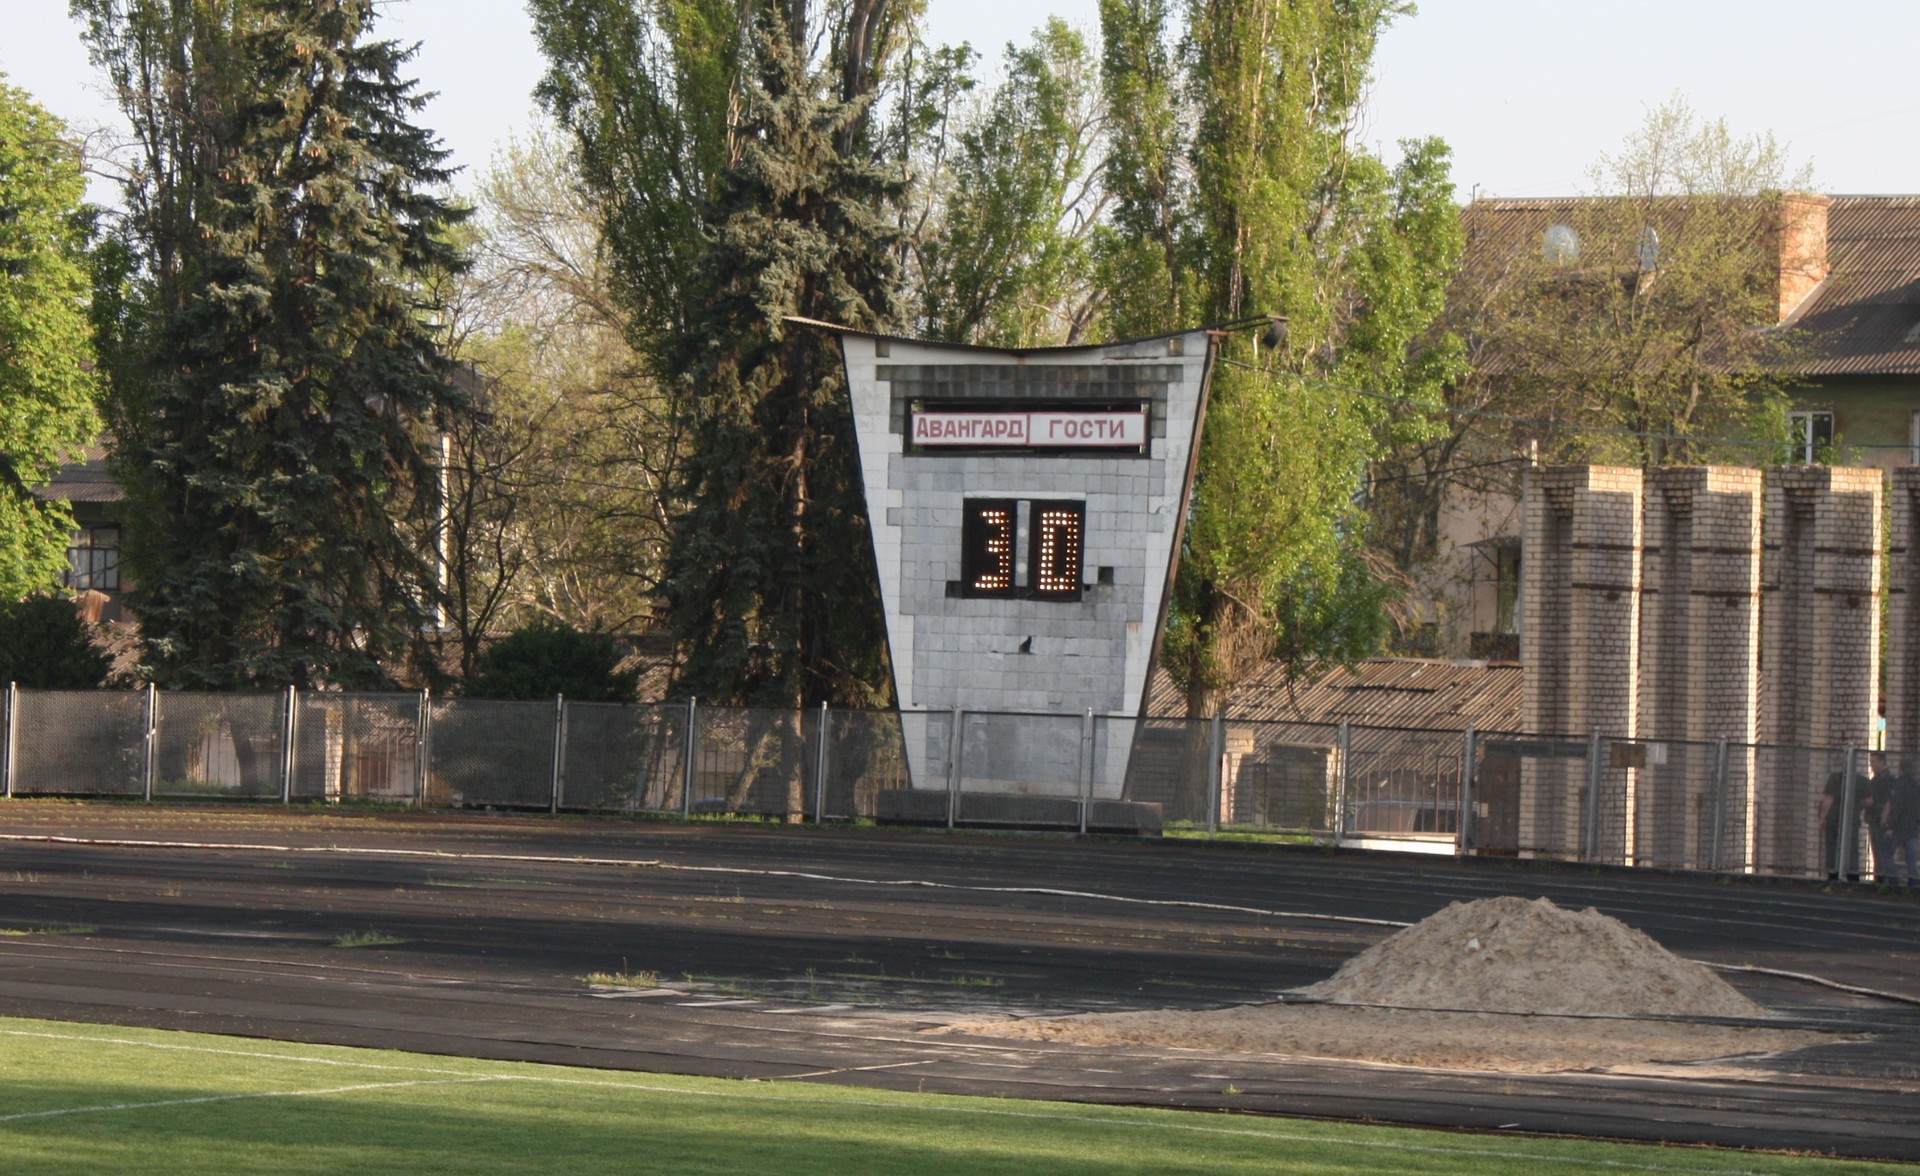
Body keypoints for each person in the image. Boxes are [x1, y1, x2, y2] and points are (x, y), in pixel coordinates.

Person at [1886, 756, 1920, 888]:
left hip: (1899, 827)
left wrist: (1891, 826)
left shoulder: (1898, 785)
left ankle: (1894, 880)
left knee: (1887, 854)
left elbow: (1896, 807)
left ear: (1900, 770)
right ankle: (1913, 883)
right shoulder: (1916, 785)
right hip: (1912, 827)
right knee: (1910, 857)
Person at [1863, 751, 1896, 883]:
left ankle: (1884, 881)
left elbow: (1890, 801)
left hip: (1882, 822)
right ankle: (1879, 879)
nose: (1871, 765)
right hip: (1874, 820)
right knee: (1877, 853)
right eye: (1870, 762)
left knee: (1882, 853)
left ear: (1882, 761)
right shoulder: (1876, 779)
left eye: (1874, 761)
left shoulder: (1888, 779)